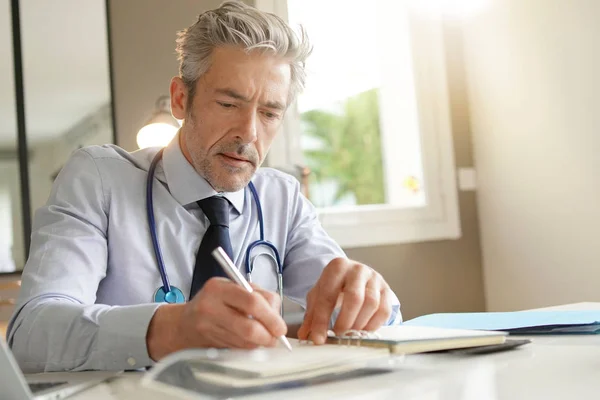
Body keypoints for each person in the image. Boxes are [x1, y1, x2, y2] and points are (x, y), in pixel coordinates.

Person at [7, 0, 401, 373]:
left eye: (268, 113)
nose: (248, 134)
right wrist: (169, 329)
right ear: (180, 99)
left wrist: (366, 298)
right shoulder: (98, 180)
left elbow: (356, 319)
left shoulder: (282, 199)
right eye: (229, 104)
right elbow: (31, 333)